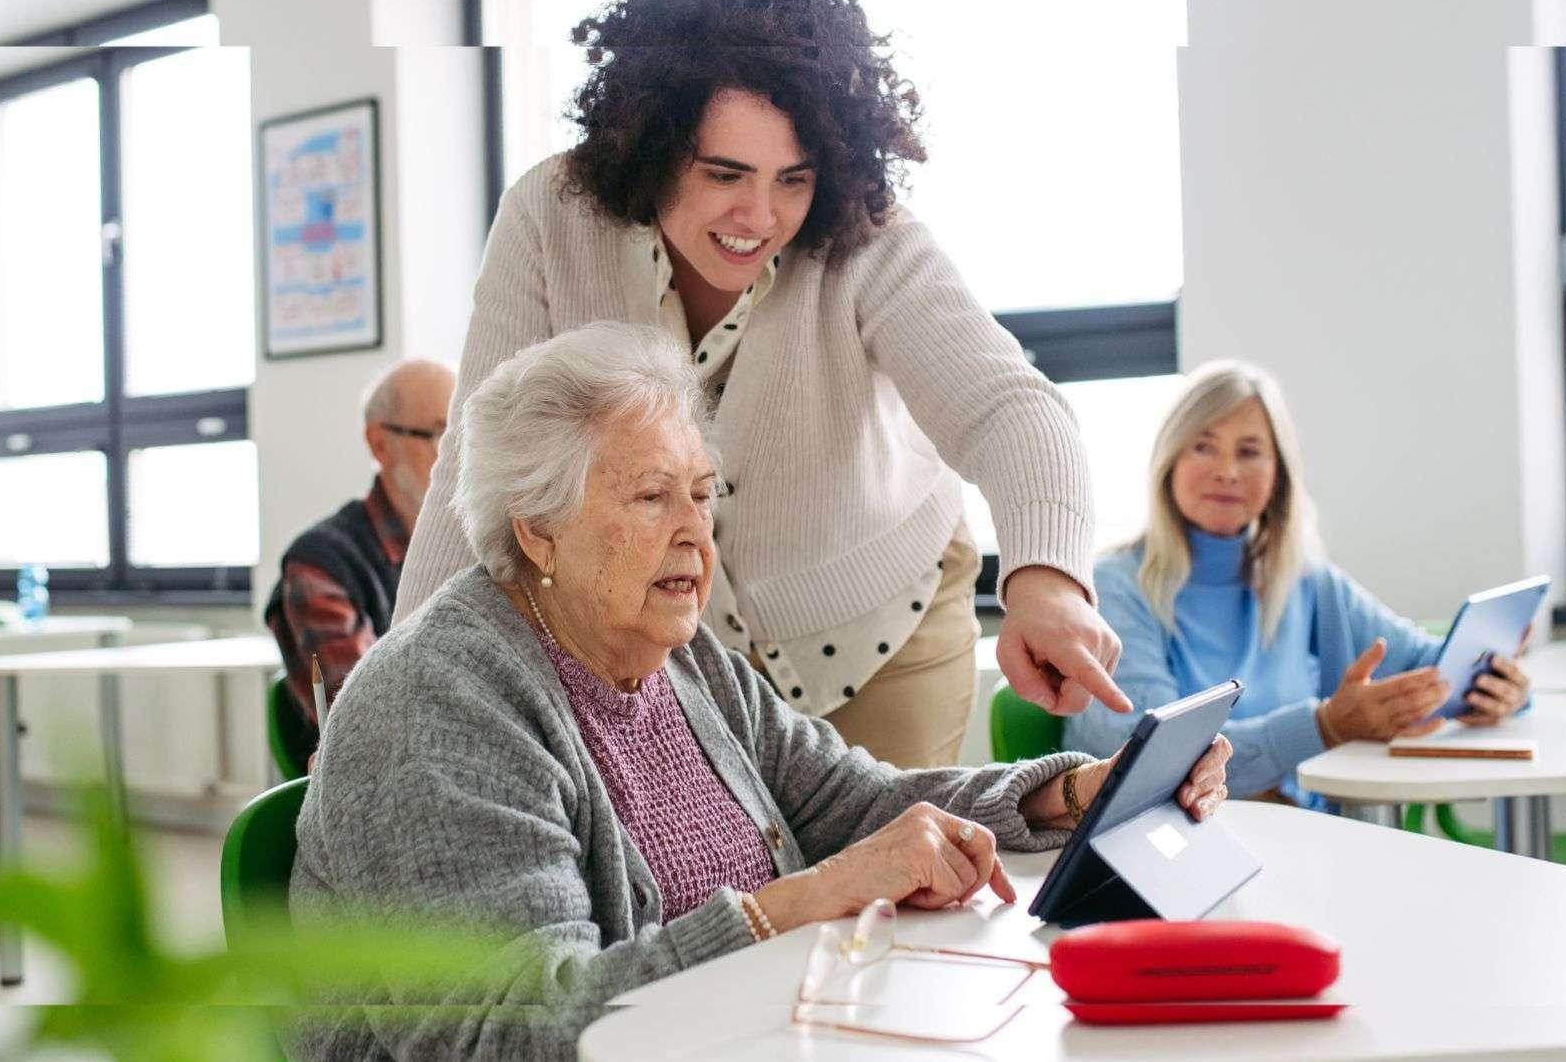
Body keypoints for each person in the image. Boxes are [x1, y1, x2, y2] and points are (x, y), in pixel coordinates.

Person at [290, 323, 1232, 1058]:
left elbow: (854, 804)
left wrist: (1071, 792)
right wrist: (803, 900)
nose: (696, 534)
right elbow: (509, 1032)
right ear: (537, 528)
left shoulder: (681, 655)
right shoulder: (438, 705)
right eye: (652, 498)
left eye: (703, 494)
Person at [393, 0, 1128, 769]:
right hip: (674, 645)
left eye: (793, 178)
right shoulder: (550, 217)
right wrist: (403, 679)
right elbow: (478, 475)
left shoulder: (869, 241)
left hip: (880, 621)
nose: (759, 215)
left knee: (894, 872)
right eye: (723, 173)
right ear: (652, 141)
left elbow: (1009, 410)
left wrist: (1047, 582)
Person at [1062, 360, 1532, 808]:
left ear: (1278, 476)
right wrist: (1324, 726)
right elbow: (1149, 759)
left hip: (1308, 832)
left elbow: (1433, 670)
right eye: (1203, 446)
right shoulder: (1115, 588)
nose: (1227, 470)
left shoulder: (1307, 581)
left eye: (1249, 452)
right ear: (1168, 461)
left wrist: (1498, 689)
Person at [264, 358, 456, 749]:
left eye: (464, 436)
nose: (457, 457)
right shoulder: (320, 564)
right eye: (440, 434)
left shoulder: (469, 544)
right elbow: (367, 715)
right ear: (380, 444)